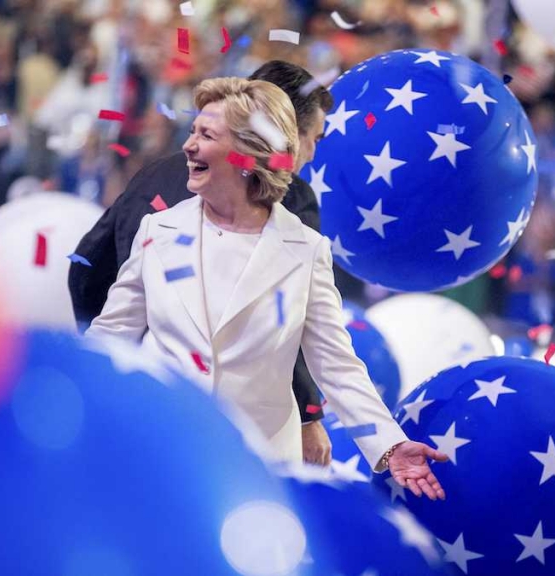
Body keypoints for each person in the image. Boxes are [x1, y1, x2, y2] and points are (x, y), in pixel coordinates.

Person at [86, 78, 448, 499]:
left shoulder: (306, 249)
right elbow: (110, 340)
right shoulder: (158, 230)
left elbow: (336, 363)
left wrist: (390, 445)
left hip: (258, 474)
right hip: (157, 456)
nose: (187, 146)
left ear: (247, 155)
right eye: (192, 131)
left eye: (206, 135)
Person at [70, 61, 333, 466]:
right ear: (280, 135)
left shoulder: (155, 171)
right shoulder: (292, 197)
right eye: (312, 138)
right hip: (231, 444)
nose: (312, 152)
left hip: (157, 419)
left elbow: (87, 267)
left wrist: (114, 367)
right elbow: (290, 329)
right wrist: (309, 415)